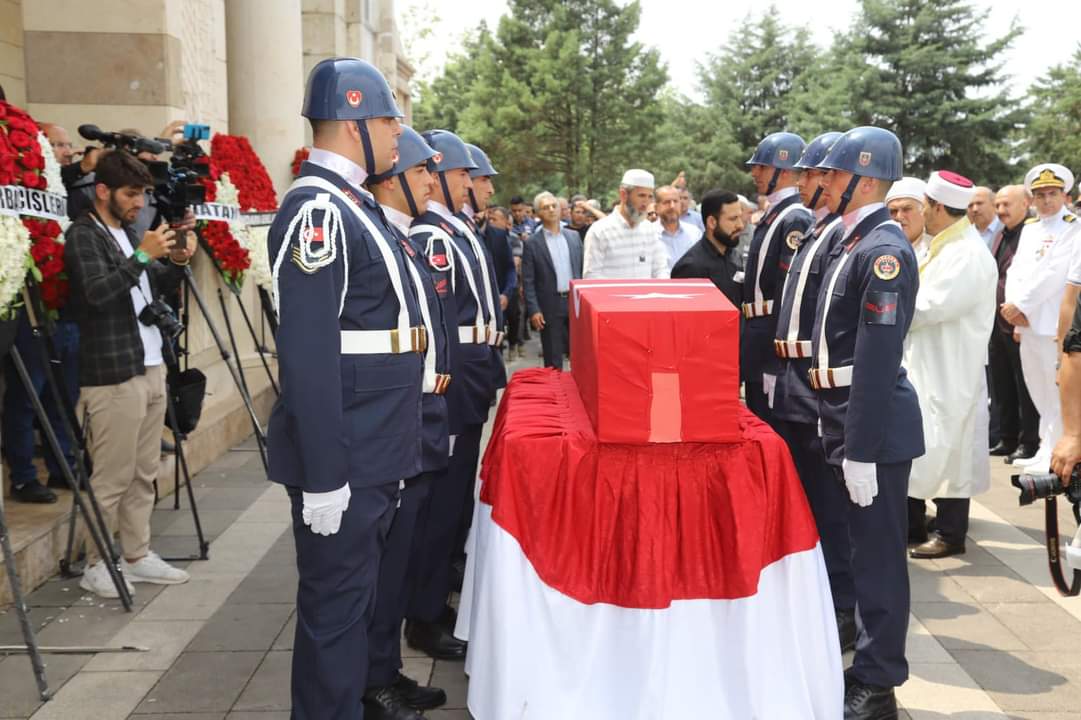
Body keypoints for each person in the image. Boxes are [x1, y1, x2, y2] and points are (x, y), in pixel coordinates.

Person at [266, 57, 422, 720]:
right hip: (349, 455)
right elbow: (308, 358)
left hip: (373, 445)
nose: (396, 132)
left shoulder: (352, 206)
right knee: (334, 613)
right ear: (355, 119)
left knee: (351, 605)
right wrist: (326, 476)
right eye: (389, 118)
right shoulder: (318, 212)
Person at [810, 126, 924, 719]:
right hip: (842, 416)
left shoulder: (883, 251)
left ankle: (879, 684)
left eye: (832, 173)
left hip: (870, 427)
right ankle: (866, 664)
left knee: (879, 561)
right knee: (859, 553)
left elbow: (878, 361)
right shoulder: (848, 240)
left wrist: (859, 448)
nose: (823, 182)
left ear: (867, 178)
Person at [64, 149, 196, 597]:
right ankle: (97, 562)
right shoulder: (84, 235)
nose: (140, 203)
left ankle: (137, 555)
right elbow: (98, 293)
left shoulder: (128, 232)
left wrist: (176, 261)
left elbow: (151, 284)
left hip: (151, 361)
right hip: (113, 372)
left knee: (144, 472)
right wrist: (141, 256)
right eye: (131, 194)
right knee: (112, 476)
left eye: (143, 194)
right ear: (103, 191)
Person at [364, 125, 451, 719]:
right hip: (397, 422)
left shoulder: (406, 238)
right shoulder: (389, 237)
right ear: (395, 179)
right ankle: (374, 680)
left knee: (397, 561)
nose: (432, 183)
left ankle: (385, 670)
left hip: (418, 415)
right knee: (385, 564)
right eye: (422, 173)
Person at [767, 131, 856, 652]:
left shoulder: (834, 235)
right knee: (811, 496)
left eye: (809, 174)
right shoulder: (821, 229)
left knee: (830, 502)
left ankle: (843, 605)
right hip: (795, 377)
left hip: (814, 380)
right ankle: (825, 594)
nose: (799, 183)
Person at [404, 130, 491, 662]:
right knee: (437, 507)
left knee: (453, 501)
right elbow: (441, 324)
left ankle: (436, 595)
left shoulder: (453, 229)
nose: (470, 185)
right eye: (463, 175)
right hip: (454, 381)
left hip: (469, 376)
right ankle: (425, 611)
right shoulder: (434, 236)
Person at [904, 171, 997, 560]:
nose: (922, 210)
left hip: (951, 369)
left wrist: (886, 307)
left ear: (938, 207)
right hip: (930, 363)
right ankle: (916, 524)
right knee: (926, 445)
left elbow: (929, 306)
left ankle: (950, 533)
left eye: (924, 204)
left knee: (953, 449)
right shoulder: (942, 245)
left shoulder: (966, 254)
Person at [2, 124, 83, 504]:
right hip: (26, 305)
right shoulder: (19, 180)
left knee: (62, 394)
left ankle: (63, 464)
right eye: (55, 144)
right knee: (27, 393)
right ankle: (22, 474)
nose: (64, 151)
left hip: (61, 305)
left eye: (67, 145)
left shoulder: (66, 188)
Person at [1003, 163, 1080, 472]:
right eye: (1040, 195)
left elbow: (1054, 274)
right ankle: (1044, 445)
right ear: (1032, 199)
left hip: (1051, 322)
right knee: (1036, 386)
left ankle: (1056, 449)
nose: (1047, 200)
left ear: (1064, 195)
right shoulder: (1032, 228)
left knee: (1056, 387)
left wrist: (1021, 305)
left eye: (1052, 194)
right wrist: (1012, 305)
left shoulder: (1072, 226)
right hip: (1027, 322)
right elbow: (1016, 269)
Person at [741, 131, 813, 427]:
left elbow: (787, 292)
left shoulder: (794, 217)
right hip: (757, 332)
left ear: (784, 171)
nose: (754, 172)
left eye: (762, 166)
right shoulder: (777, 212)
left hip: (769, 337)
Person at [989, 185, 1040, 463]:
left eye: (1007, 204)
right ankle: (1007, 439)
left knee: (1026, 386)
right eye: (998, 205)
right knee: (1003, 384)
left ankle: (1029, 441)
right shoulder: (1001, 235)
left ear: (1025, 203)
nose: (1000, 211)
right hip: (997, 323)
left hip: (1021, 322)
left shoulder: (1031, 235)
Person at [522, 191, 583, 369]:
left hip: (575, 302)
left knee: (580, 354)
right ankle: (555, 394)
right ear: (538, 213)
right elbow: (528, 280)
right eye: (545, 207)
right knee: (553, 358)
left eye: (554, 206)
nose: (551, 210)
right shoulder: (532, 243)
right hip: (549, 305)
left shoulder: (573, 237)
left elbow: (581, 271)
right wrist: (534, 310)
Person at [582, 168, 668, 279]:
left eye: (650, 196)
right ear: (623, 194)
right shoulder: (600, 231)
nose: (646, 202)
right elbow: (591, 276)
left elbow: (660, 270)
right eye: (641, 195)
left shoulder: (650, 230)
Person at [671, 189, 746, 307]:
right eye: (733, 219)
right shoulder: (690, 267)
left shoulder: (735, 256)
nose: (740, 225)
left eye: (740, 217)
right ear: (712, 222)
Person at [655, 184, 699, 270]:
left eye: (675, 201)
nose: (672, 206)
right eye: (666, 202)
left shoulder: (694, 233)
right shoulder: (648, 234)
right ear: (656, 207)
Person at [885, 177, 931, 257]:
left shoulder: (937, 251)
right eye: (893, 211)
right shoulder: (879, 248)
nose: (899, 217)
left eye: (906, 209)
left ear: (923, 212)